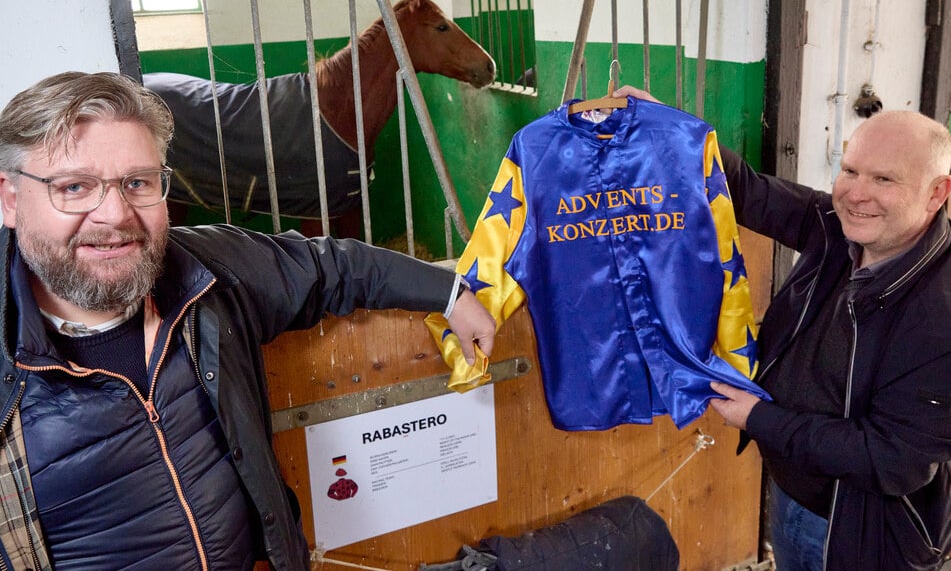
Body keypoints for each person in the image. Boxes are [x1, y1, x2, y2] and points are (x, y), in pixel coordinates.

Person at [0, 71, 496, 570]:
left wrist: (450, 292)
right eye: (75, 187)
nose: (115, 214)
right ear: (11, 199)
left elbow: (331, 266)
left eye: (137, 182)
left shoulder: (205, 270)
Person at [616, 85, 951, 570]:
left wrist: (759, 419)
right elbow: (749, 192)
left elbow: (889, 459)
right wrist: (672, 129)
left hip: (864, 533)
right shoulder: (840, 227)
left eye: (884, 179)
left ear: (937, 192)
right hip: (792, 492)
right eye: (850, 170)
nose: (856, 193)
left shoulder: (939, 317)